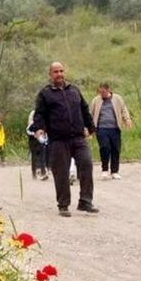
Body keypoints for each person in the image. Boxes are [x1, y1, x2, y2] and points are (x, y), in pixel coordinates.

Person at [31, 62, 97, 217]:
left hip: (78, 138)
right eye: (55, 72)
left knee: (86, 164)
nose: (59, 74)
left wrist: (91, 127)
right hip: (58, 140)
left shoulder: (74, 90)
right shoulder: (45, 94)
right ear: (50, 74)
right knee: (61, 173)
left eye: (61, 71)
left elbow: (84, 109)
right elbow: (39, 114)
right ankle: (63, 204)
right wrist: (39, 128)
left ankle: (85, 201)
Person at [90, 83, 133, 180]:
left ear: (108, 90)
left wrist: (127, 119)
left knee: (115, 149)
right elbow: (90, 114)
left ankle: (114, 171)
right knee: (104, 147)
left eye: (103, 92)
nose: (102, 94)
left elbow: (123, 110)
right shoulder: (96, 100)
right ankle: (104, 170)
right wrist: (89, 129)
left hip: (114, 128)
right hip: (101, 128)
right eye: (100, 92)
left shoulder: (117, 98)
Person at [26, 108, 48, 180]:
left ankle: (43, 172)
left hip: (41, 142)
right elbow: (28, 131)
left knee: (42, 157)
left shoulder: (43, 123)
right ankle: (34, 172)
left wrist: (45, 138)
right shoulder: (31, 124)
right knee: (34, 157)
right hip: (33, 142)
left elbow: (45, 132)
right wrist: (34, 134)